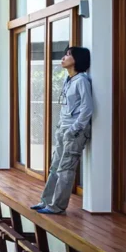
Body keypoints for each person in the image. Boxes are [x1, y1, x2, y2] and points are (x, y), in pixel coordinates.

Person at [33, 46, 93, 215]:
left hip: (74, 132)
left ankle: (57, 207)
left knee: (66, 168)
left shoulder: (82, 80)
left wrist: (74, 128)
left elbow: (87, 108)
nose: (63, 57)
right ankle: (46, 201)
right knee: (55, 166)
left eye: (68, 54)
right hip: (63, 128)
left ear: (77, 59)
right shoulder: (69, 80)